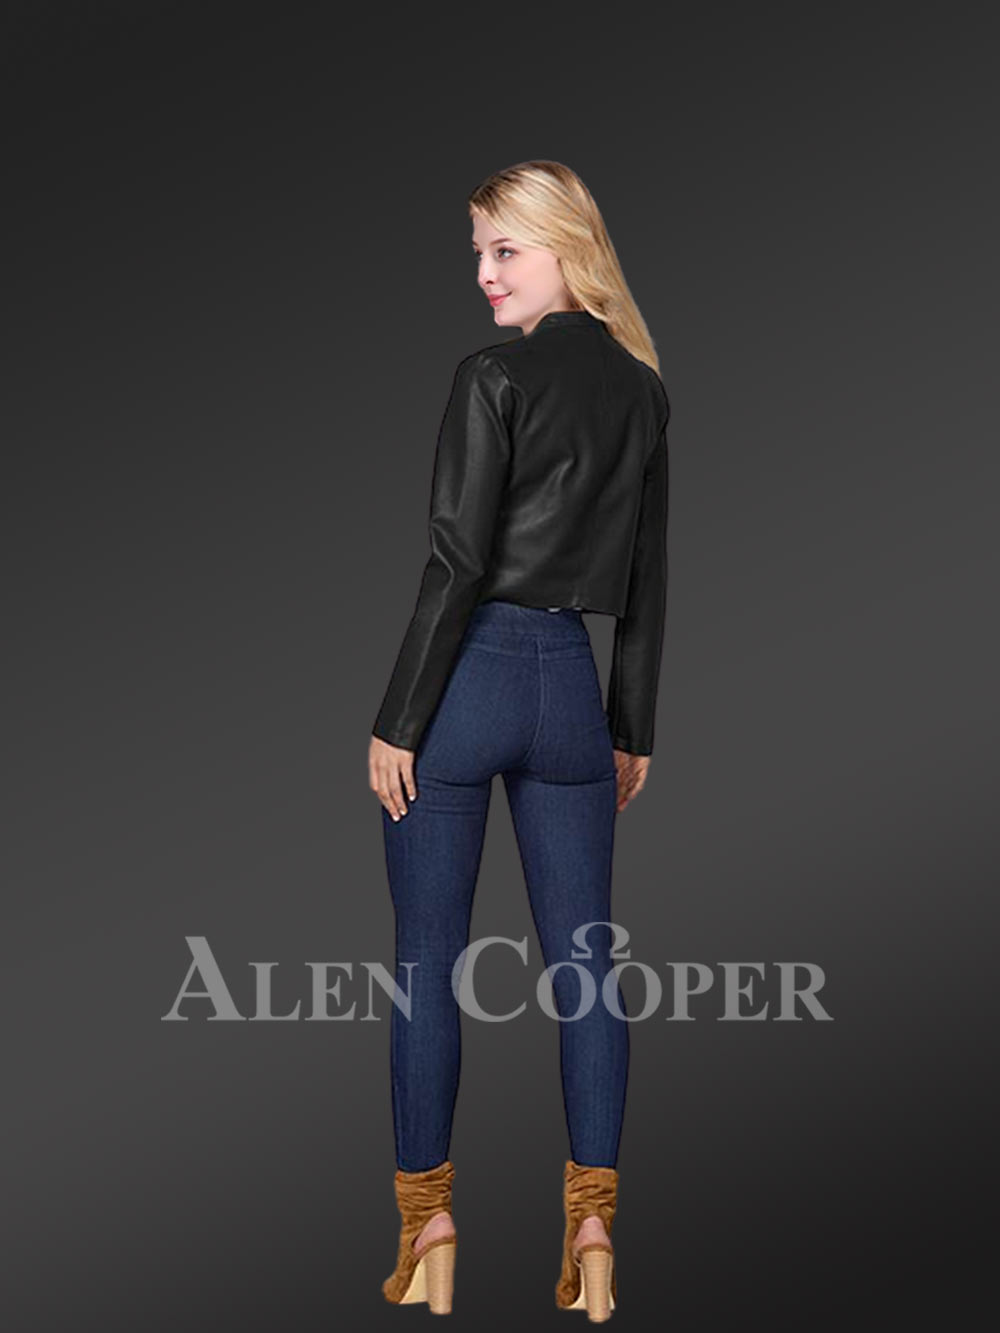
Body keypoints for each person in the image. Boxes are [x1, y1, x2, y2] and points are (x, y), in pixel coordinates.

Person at [369, 159, 670, 1319]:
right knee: (587, 966)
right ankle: (593, 1230)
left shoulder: (490, 375)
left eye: (504, 250)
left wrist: (398, 719)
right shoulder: (642, 391)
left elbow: (456, 560)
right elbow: (647, 579)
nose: (485, 275)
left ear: (564, 247)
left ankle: (427, 1226)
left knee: (426, 964)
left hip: (472, 679)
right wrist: (628, 727)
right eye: (479, 255)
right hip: (572, 695)